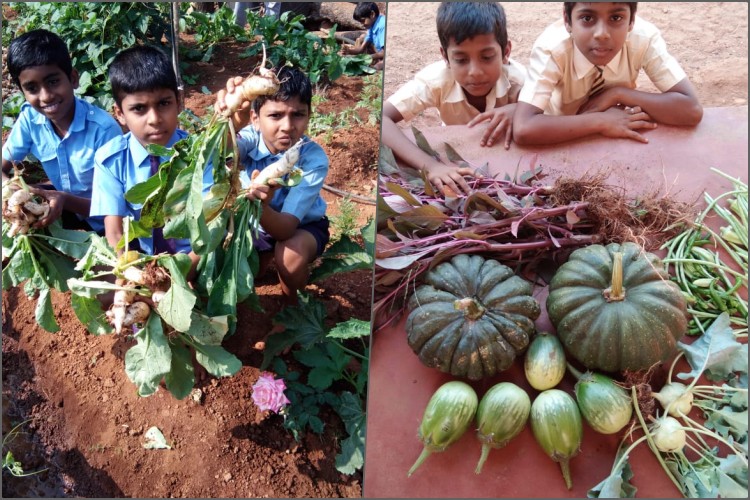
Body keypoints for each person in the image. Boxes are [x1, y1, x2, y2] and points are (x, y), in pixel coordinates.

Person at [215, 66, 329, 345]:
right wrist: (230, 118)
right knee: (239, 264)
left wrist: (263, 206)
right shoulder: (249, 140)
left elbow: (286, 228)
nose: (287, 126)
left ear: (309, 116)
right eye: (275, 115)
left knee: (289, 254)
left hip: (300, 228)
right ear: (255, 118)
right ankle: (265, 263)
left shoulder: (313, 159)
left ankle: (292, 310)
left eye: (297, 115)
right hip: (255, 228)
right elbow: (219, 151)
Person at [90, 45, 212, 276]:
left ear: (179, 101)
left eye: (164, 103)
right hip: (142, 262)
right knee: (106, 294)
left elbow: (212, 225)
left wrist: (178, 274)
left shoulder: (200, 153)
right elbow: (115, 232)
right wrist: (136, 276)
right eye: (139, 109)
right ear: (120, 114)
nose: (155, 119)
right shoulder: (110, 160)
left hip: (196, 258)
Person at [381, 2, 525, 196]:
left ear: (506, 52)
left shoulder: (520, 81)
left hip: (508, 153)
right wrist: (431, 166)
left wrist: (521, 110)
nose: (475, 72)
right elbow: (381, 118)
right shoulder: (435, 81)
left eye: (487, 57)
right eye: (461, 60)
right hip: (455, 152)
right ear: (445, 57)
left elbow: (552, 116)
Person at [513, 1, 703, 146]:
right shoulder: (552, 49)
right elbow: (524, 128)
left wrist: (619, 94)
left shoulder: (643, 38)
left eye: (616, 18)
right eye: (587, 18)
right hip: (560, 128)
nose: (602, 34)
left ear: (632, 21)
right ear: (567, 20)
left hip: (617, 125)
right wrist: (601, 122)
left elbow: (691, 110)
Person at [2, 29, 122, 233]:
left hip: (107, 222)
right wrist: (11, 192)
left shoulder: (103, 130)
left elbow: (118, 204)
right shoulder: (31, 119)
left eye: (53, 81)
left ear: (73, 79)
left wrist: (64, 200)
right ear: (23, 92)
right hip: (60, 208)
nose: (46, 96)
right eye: (32, 88)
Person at [342, 2, 386, 70]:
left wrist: (366, 58)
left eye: (363, 21)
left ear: (372, 14)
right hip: (380, 54)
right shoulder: (372, 25)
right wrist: (349, 51)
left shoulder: (382, 25)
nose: (362, 24)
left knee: (376, 67)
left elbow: (384, 52)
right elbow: (361, 49)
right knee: (362, 37)